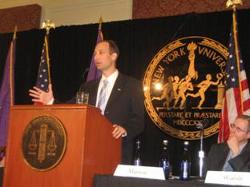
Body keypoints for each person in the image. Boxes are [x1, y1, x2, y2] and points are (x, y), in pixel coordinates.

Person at [29, 40, 145, 164]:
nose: (96, 57)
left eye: (101, 53)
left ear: (113, 56)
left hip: (117, 151)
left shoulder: (132, 85)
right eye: (95, 54)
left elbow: (138, 120)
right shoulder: (87, 87)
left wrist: (125, 129)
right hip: (88, 153)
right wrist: (51, 101)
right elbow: (72, 108)